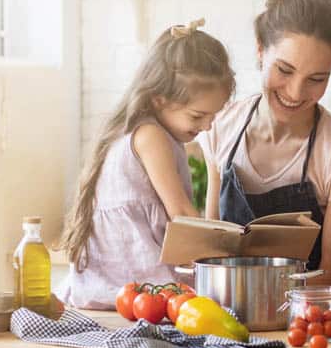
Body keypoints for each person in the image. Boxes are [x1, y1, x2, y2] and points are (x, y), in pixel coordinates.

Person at [200, 0, 331, 287]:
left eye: (316, 79)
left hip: (305, 323)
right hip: (224, 318)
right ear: (261, 50)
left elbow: (330, 279)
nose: (295, 92)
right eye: (285, 70)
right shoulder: (221, 127)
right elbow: (211, 254)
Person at [55, 19, 235, 309]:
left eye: (213, 116)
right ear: (159, 100)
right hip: (131, 281)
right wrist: (220, 256)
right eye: (197, 116)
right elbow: (180, 213)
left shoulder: (146, 130)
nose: (207, 125)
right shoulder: (151, 136)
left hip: (122, 281)